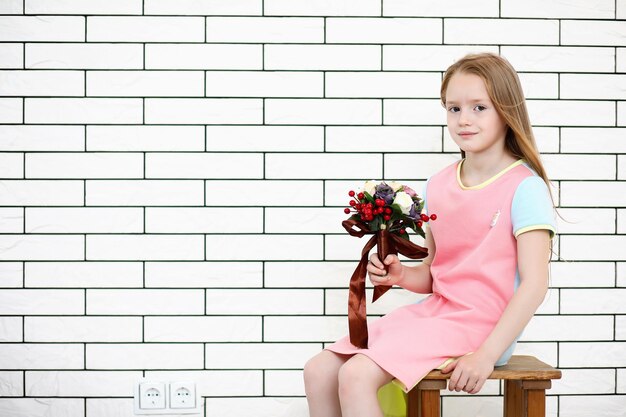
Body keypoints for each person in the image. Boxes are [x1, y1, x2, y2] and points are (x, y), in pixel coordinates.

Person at [303, 52, 559, 417]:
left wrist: (486, 354)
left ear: (507, 110)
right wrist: (402, 275)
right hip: (437, 313)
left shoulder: (524, 187)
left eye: (479, 107)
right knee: (319, 369)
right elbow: (438, 272)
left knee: (357, 375)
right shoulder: (438, 184)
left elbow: (534, 285)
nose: (464, 119)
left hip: (486, 326)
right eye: (453, 109)